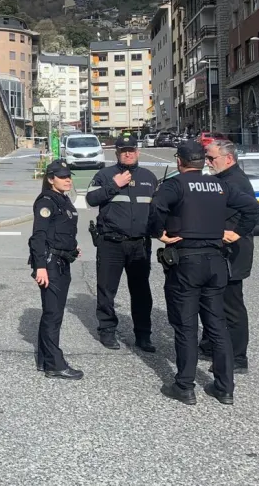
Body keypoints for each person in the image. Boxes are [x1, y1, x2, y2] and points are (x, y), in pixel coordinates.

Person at [148, 141, 259, 406]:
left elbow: (155, 209)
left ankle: (185, 386)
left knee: (186, 326)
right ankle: (225, 388)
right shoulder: (220, 185)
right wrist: (238, 233)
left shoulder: (175, 185)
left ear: (180, 161)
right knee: (217, 325)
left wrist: (159, 233)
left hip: (187, 262)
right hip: (216, 261)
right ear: (202, 162)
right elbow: (254, 208)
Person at [85, 132, 158, 352]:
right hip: (111, 242)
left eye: (132, 150)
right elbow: (90, 199)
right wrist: (114, 185)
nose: (128, 154)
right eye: (124, 151)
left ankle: (143, 335)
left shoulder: (149, 177)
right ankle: (107, 331)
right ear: (117, 153)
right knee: (107, 290)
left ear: (138, 151)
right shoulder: (105, 175)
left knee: (141, 292)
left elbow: (157, 210)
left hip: (139, 244)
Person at [198, 139, 255, 373]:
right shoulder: (221, 179)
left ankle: (238, 357)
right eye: (207, 158)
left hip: (232, 254)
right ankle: (212, 344)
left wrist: (237, 233)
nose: (208, 162)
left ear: (228, 159)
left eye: (212, 158)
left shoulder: (235, 182)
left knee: (231, 305)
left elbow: (249, 212)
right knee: (213, 301)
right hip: (218, 253)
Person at [29, 159, 83, 380]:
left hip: (62, 261)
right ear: (51, 179)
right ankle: (55, 364)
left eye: (69, 176)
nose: (67, 179)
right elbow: (38, 237)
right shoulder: (46, 202)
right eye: (62, 177)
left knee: (53, 313)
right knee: (53, 314)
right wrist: (40, 266)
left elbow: (60, 230)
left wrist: (72, 247)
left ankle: (45, 359)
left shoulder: (62, 199)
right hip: (50, 264)